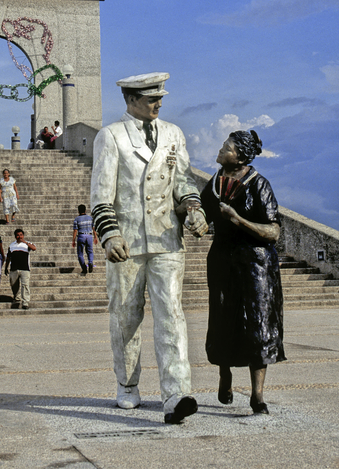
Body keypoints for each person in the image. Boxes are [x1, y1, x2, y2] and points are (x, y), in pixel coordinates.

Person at [90, 72, 208, 424]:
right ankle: (127, 383)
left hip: (165, 237)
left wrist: (192, 207)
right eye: (151, 99)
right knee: (126, 317)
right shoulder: (110, 137)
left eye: (160, 98)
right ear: (130, 100)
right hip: (126, 241)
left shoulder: (173, 134)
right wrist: (109, 234)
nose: (158, 103)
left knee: (171, 313)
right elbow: (101, 193)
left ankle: (176, 393)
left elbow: (183, 178)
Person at [200, 129, 286, 415]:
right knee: (223, 318)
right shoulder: (215, 183)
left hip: (256, 263)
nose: (221, 149)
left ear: (240, 156)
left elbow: (273, 232)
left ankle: (257, 395)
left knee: (257, 325)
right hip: (223, 259)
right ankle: (225, 373)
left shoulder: (259, 185)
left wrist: (238, 220)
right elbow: (203, 213)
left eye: (227, 146)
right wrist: (196, 220)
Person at [4, 228, 36, 310]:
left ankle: (25, 302)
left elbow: (34, 248)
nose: (19, 236)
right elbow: (8, 258)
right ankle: (17, 298)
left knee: (25, 285)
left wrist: (25, 242)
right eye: (18, 235)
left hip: (24, 268)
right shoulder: (11, 245)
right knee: (14, 284)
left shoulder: (27, 244)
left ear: (23, 235)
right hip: (14, 268)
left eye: (21, 235)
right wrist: (6, 267)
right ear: (15, 236)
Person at [72, 204, 97, 275]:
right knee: (90, 251)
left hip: (81, 236)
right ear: (85, 210)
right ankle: (90, 262)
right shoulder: (90, 218)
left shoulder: (77, 219)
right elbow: (94, 228)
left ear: (78, 211)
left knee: (80, 254)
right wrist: (95, 237)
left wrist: (73, 240)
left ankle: (84, 268)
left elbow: (75, 230)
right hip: (89, 236)